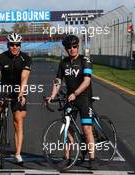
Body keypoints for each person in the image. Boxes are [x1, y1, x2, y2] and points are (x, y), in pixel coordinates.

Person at [46, 35, 97, 170]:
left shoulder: (85, 61)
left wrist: (75, 93)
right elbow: (58, 81)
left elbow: (87, 81)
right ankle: (67, 158)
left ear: (78, 47)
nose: (72, 49)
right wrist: (52, 96)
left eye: (74, 46)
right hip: (70, 99)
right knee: (68, 131)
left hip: (84, 99)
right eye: (69, 47)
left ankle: (92, 158)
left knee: (86, 129)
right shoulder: (63, 63)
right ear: (66, 49)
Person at [0, 32, 32, 164]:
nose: (14, 47)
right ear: (8, 45)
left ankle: (17, 154)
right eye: (12, 44)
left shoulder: (26, 59)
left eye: (17, 45)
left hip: (18, 89)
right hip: (3, 88)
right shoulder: (0, 58)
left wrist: (21, 93)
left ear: (20, 45)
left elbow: (24, 78)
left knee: (18, 120)